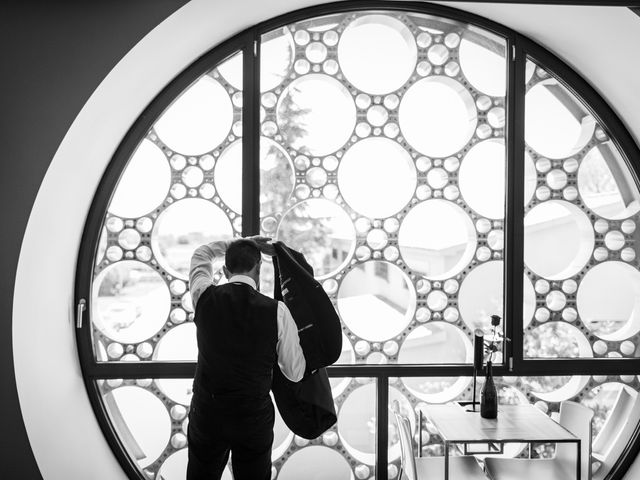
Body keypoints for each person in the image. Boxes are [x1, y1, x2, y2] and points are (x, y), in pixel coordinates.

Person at [186, 236, 306, 480]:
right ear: (259, 268)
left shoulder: (203, 296)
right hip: (252, 417)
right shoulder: (277, 311)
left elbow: (201, 254)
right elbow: (295, 371)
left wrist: (246, 241)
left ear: (225, 270)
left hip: (208, 413)